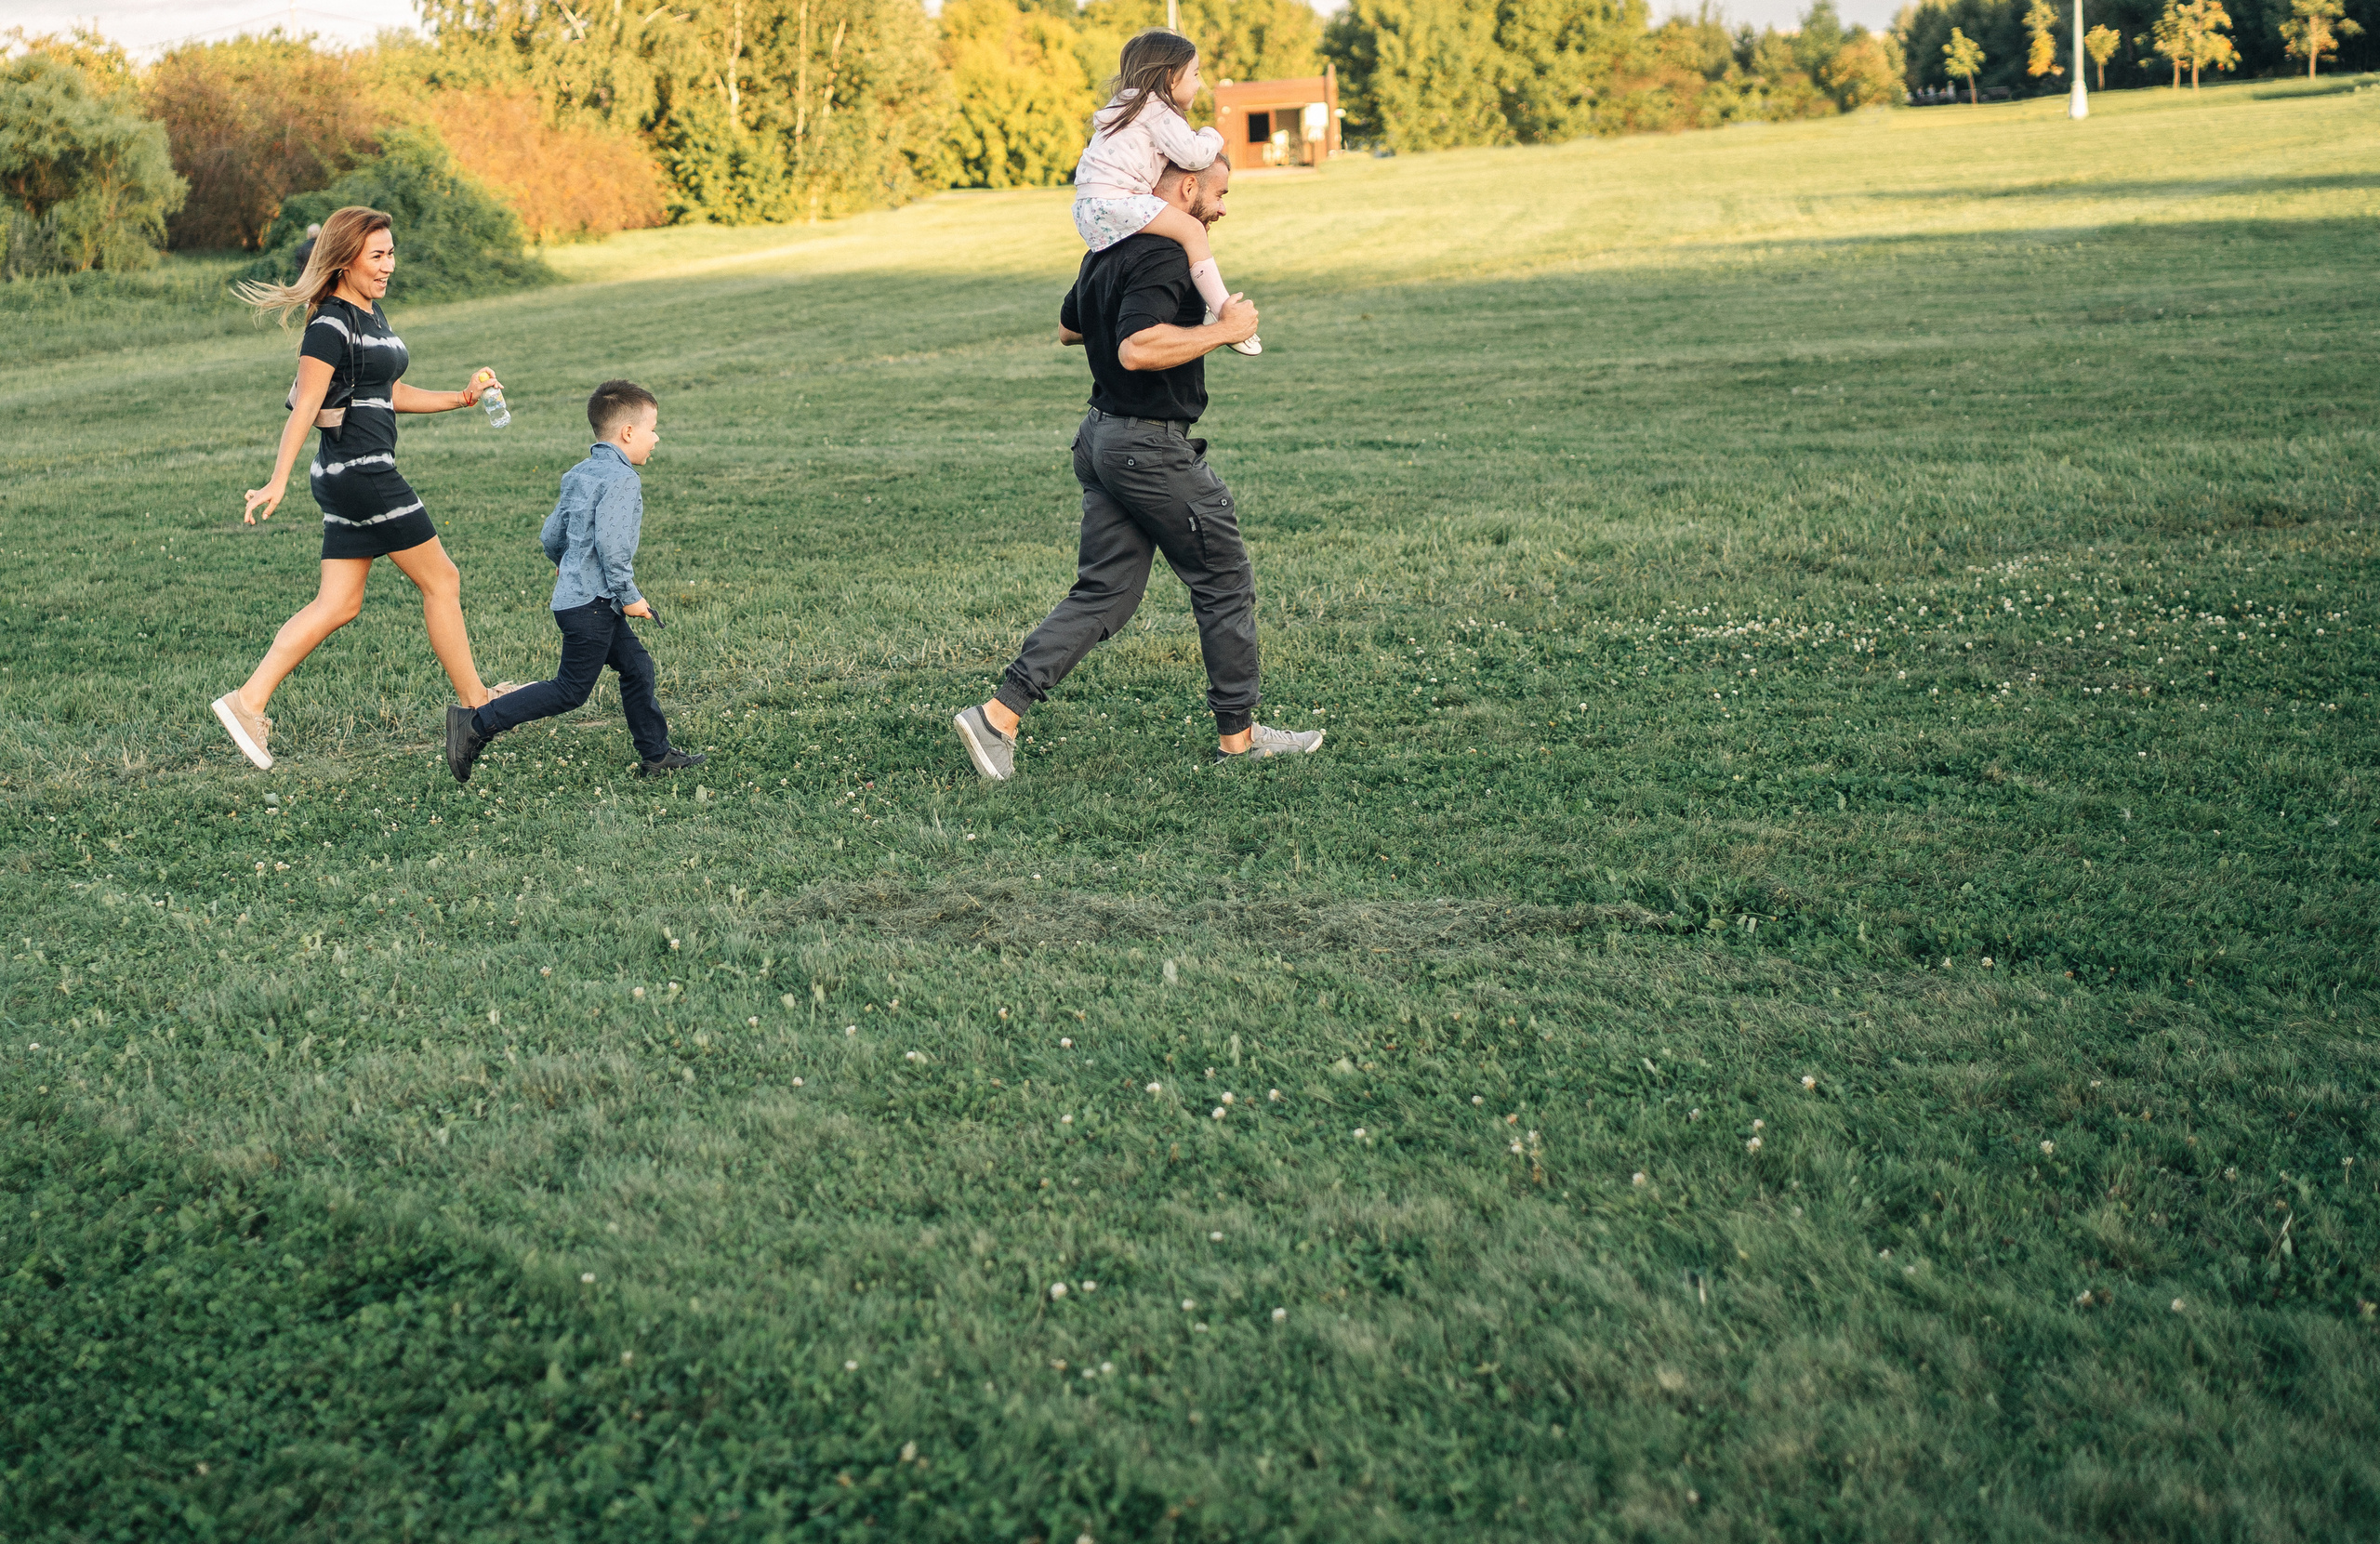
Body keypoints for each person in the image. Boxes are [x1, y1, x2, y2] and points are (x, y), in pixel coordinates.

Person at [953, 156, 1318, 780]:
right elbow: (1136, 347)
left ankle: (997, 717)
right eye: (1220, 194)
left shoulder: (1106, 245)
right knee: (1223, 579)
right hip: (1148, 448)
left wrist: (1159, 321)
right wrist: (1224, 329)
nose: (1223, 208)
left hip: (1103, 437)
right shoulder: (1166, 253)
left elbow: (1070, 328)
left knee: (1106, 592)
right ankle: (1240, 740)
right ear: (1187, 186)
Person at [212, 205, 499, 771]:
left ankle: (247, 702)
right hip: (363, 472)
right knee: (442, 579)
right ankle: (477, 704)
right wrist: (276, 479)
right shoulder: (330, 323)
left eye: (391, 253)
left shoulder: (370, 314)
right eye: (377, 255)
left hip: (348, 476)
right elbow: (306, 405)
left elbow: (387, 392)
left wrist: (462, 398)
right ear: (346, 260)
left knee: (339, 603)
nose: (389, 265)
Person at [443, 380, 705, 784]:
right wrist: (631, 596)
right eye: (653, 429)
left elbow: (551, 534)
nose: (657, 438)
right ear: (628, 432)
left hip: (580, 601)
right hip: (593, 605)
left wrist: (564, 562)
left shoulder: (579, 473)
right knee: (569, 690)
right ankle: (477, 724)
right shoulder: (623, 480)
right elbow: (612, 548)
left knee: (637, 667)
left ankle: (656, 755)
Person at [1073, 29, 1260, 356]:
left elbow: (1068, 333)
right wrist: (1212, 135)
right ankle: (1223, 312)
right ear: (1171, 77)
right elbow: (1194, 155)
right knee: (1192, 231)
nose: (1199, 84)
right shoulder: (1155, 109)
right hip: (1117, 200)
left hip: (1089, 207)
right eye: (1196, 74)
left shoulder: (1125, 108)